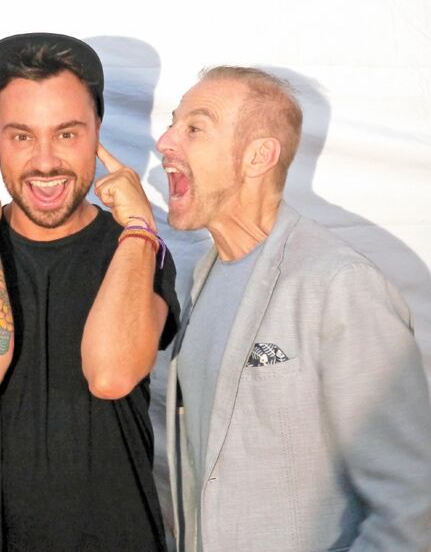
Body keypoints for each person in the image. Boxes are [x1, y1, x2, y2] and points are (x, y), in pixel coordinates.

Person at [0, 33, 180, 550]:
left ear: (97, 132)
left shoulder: (138, 248)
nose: (43, 162)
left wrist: (140, 229)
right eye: (20, 136)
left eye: (66, 134)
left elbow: (111, 374)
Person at [156, 66, 431, 552]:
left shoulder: (341, 285)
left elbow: (410, 500)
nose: (165, 142)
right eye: (173, 124)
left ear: (259, 156)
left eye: (194, 128)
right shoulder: (204, 274)